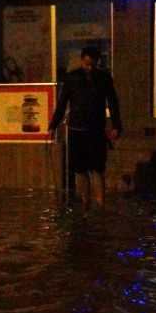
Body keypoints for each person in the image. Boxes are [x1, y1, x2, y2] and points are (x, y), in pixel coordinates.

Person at [48, 46, 122, 210]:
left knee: (97, 168)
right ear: (82, 60)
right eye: (88, 64)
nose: (90, 68)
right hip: (77, 129)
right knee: (80, 169)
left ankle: (100, 205)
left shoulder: (103, 78)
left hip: (96, 129)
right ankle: (84, 203)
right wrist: (53, 125)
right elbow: (62, 104)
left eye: (93, 65)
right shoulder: (72, 78)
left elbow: (113, 101)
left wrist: (116, 125)